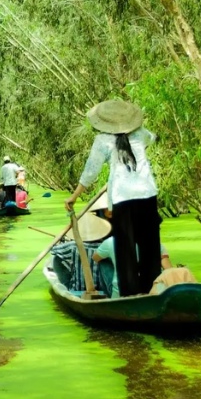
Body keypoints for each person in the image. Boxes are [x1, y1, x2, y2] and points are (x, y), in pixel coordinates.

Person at [64, 100, 162, 296]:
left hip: (123, 198)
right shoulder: (141, 133)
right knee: (150, 247)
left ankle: (130, 296)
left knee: (125, 251)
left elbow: (91, 171)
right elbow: (154, 138)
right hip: (147, 194)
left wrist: (74, 197)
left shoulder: (102, 141)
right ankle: (152, 291)